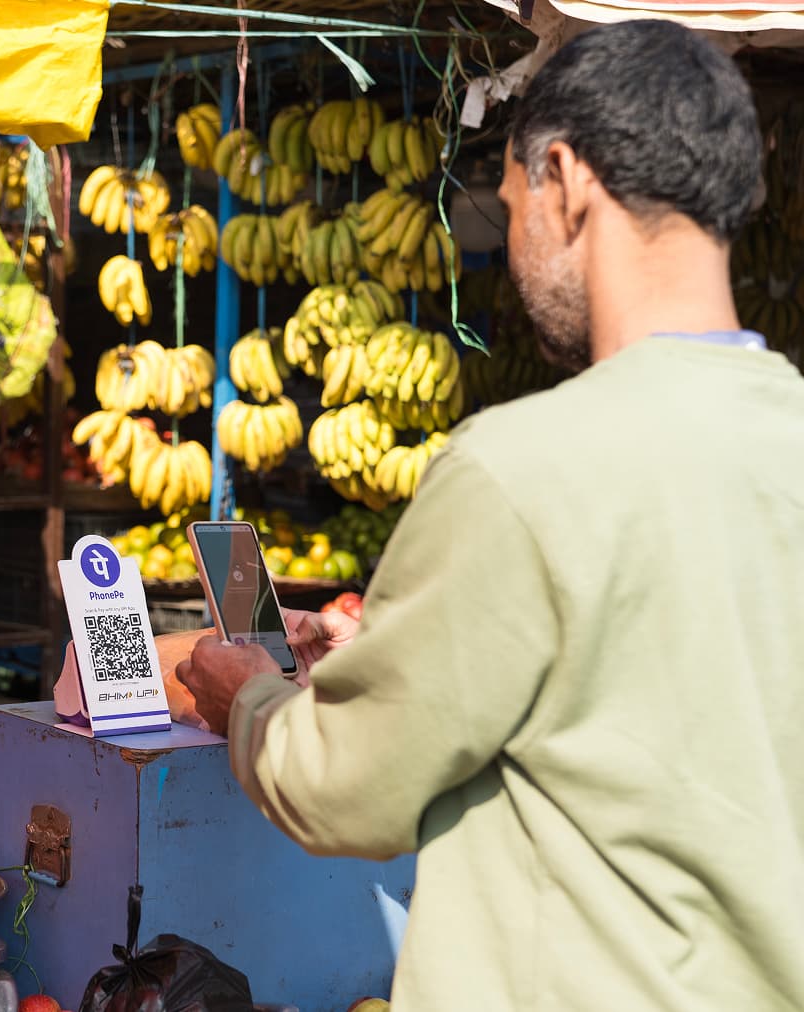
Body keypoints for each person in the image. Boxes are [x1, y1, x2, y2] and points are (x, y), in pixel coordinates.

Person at [179, 20, 804, 1010]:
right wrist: (383, 649)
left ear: (562, 177)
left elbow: (346, 789)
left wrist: (248, 696)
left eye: (511, 204)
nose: (512, 245)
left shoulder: (520, 466)